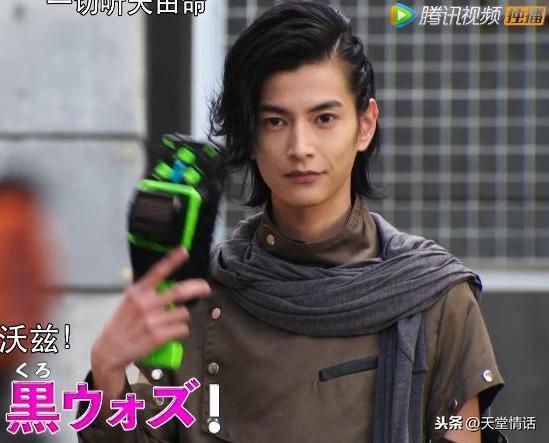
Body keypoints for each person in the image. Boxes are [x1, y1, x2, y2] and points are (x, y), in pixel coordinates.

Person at [78, 2, 504, 442]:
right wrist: (107, 368)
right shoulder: (202, 295)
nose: (300, 147)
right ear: (249, 135)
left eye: (324, 118)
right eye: (275, 121)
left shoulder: (432, 296)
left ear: (365, 124)